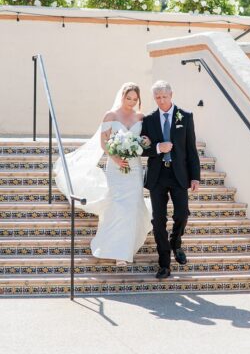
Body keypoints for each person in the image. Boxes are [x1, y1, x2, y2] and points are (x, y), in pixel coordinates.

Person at [55, 83, 152, 268]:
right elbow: (104, 143)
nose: (131, 102)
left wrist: (145, 141)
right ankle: (113, 247)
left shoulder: (141, 117)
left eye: (134, 99)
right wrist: (116, 159)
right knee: (117, 204)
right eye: (128, 98)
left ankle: (123, 252)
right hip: (116, 167)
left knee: (132, 206)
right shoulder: (111, 115)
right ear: (122, 96)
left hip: (134, 168)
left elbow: (146, 140)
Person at [140, 81, 201, 279]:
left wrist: (195, 177)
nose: (161, 100)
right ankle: (164, 264)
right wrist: (158, 148)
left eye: (164, 96)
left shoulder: (185, 116)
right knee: (158, 221)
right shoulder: (148, 120)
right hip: (157, 176)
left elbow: (191, 150)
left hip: (179, 175)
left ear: (171, 95)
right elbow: (141, 148)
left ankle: (176, 242)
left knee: (182, 214)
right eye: (157, 97)